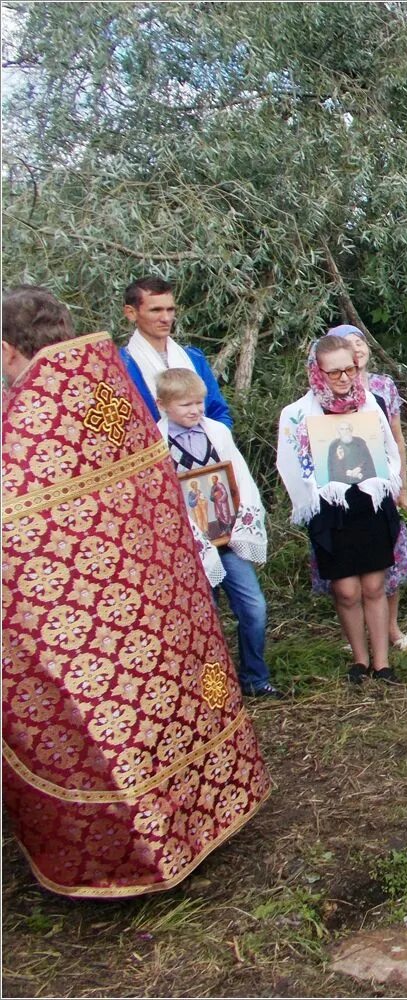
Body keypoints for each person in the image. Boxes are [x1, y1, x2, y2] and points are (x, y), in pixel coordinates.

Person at [2, 285, 270, 896]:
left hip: (85, 629)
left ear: (7, 349)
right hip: (163, 604)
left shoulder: (27, 429)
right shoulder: (112, 393)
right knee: (176, 700)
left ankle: (138, 855)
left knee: (112, 729)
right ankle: (208, 811)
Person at [277, 333, 405, 685]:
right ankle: (359, 660)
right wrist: (319, 484)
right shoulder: (298, 414)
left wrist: (382, 480)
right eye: (334, 373)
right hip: (330, 509)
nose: (344, 378)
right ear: (317, 372)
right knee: (346, 590)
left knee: (374, 586)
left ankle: (382, 662)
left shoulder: (369, 404)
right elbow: (289, 462)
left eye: (349, 369)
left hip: (370, 503)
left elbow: (388, 451)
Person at [156, 367, 284, 699]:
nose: (195, 410)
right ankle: (213, 687)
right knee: (205, 617)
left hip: (227, 536)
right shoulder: (156, 443)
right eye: (185, 405)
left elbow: (239, 476)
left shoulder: (216, 432)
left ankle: (254, 676)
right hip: (190, 546)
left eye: (199, 403)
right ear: (163, 404)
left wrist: (241, 520)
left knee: (253, 607)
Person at [320, 325, 407, 653]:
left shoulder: (379, 391)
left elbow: (393, 441)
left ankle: (389, 632)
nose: (357, 349)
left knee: (383, 573)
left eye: (360, 342)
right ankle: (358, 642)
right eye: (347, 345)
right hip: (337, 503)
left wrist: (399, 485)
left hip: (376, 496)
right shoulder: (313, 404)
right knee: (349, 581)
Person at [119, 274, 234, 426]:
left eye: (170, 309)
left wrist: (215, 443)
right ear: (131, 313)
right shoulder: (120, 365)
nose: (166, 318)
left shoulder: (194, 357)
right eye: (156, 310)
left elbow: (218, 412)